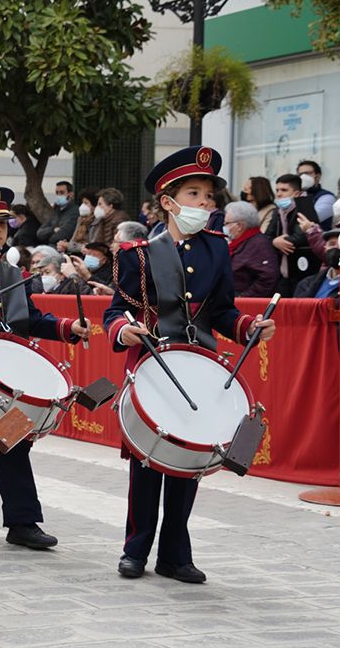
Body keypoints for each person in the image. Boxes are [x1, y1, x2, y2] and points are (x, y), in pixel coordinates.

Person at [105, 146, 275, 584]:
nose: (206, 203)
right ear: (168, 202)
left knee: (188, 463)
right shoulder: (137, 254)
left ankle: (175, 554)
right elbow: (114, 313)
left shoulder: (217, 250)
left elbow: (222, 312)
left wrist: (247, 326)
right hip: (155, 365)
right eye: (195, 194)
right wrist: (124, 331)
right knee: (146, 464)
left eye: (208, 195)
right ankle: (135, 549)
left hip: (200, 366)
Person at [0, 187, 89, 550]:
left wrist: (68, 329)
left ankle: (22, 521)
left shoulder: (11, 271)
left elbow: (29, 318)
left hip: (6, 373)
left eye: (2, 224)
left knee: (14, 443)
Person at [267, 173, 320, 295]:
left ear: (296, 193)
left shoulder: (305, 207)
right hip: (282, 272)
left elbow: (302, 237)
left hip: (302, 271)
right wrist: (274, 242)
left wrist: (279, 241)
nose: (279, 194)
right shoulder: (278, 210)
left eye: (284, 190)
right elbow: (266, 237)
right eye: (277, 190)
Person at [223, 201, 279, 297]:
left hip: (245, 302)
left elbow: (268, 277)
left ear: (239, 226)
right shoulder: (240, 242)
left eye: (227, 223)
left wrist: (244, 297)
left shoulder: (258, 244)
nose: (224, 227)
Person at [35, 180, 79, 246]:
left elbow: (65, 233)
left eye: (62, 192)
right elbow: (40, 233)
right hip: (50, 246)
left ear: (71, 194)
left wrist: (48, 238)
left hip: (63, 248)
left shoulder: (75, 212)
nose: (59, 195)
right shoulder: (55, 212)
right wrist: (53, 230)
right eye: (57, 193)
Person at [296, 159, 334, 230]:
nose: (303, 177)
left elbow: (311, 219)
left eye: (307, 173)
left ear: (318, 176)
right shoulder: (297, 194)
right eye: (300, 174)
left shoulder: (327, 197)